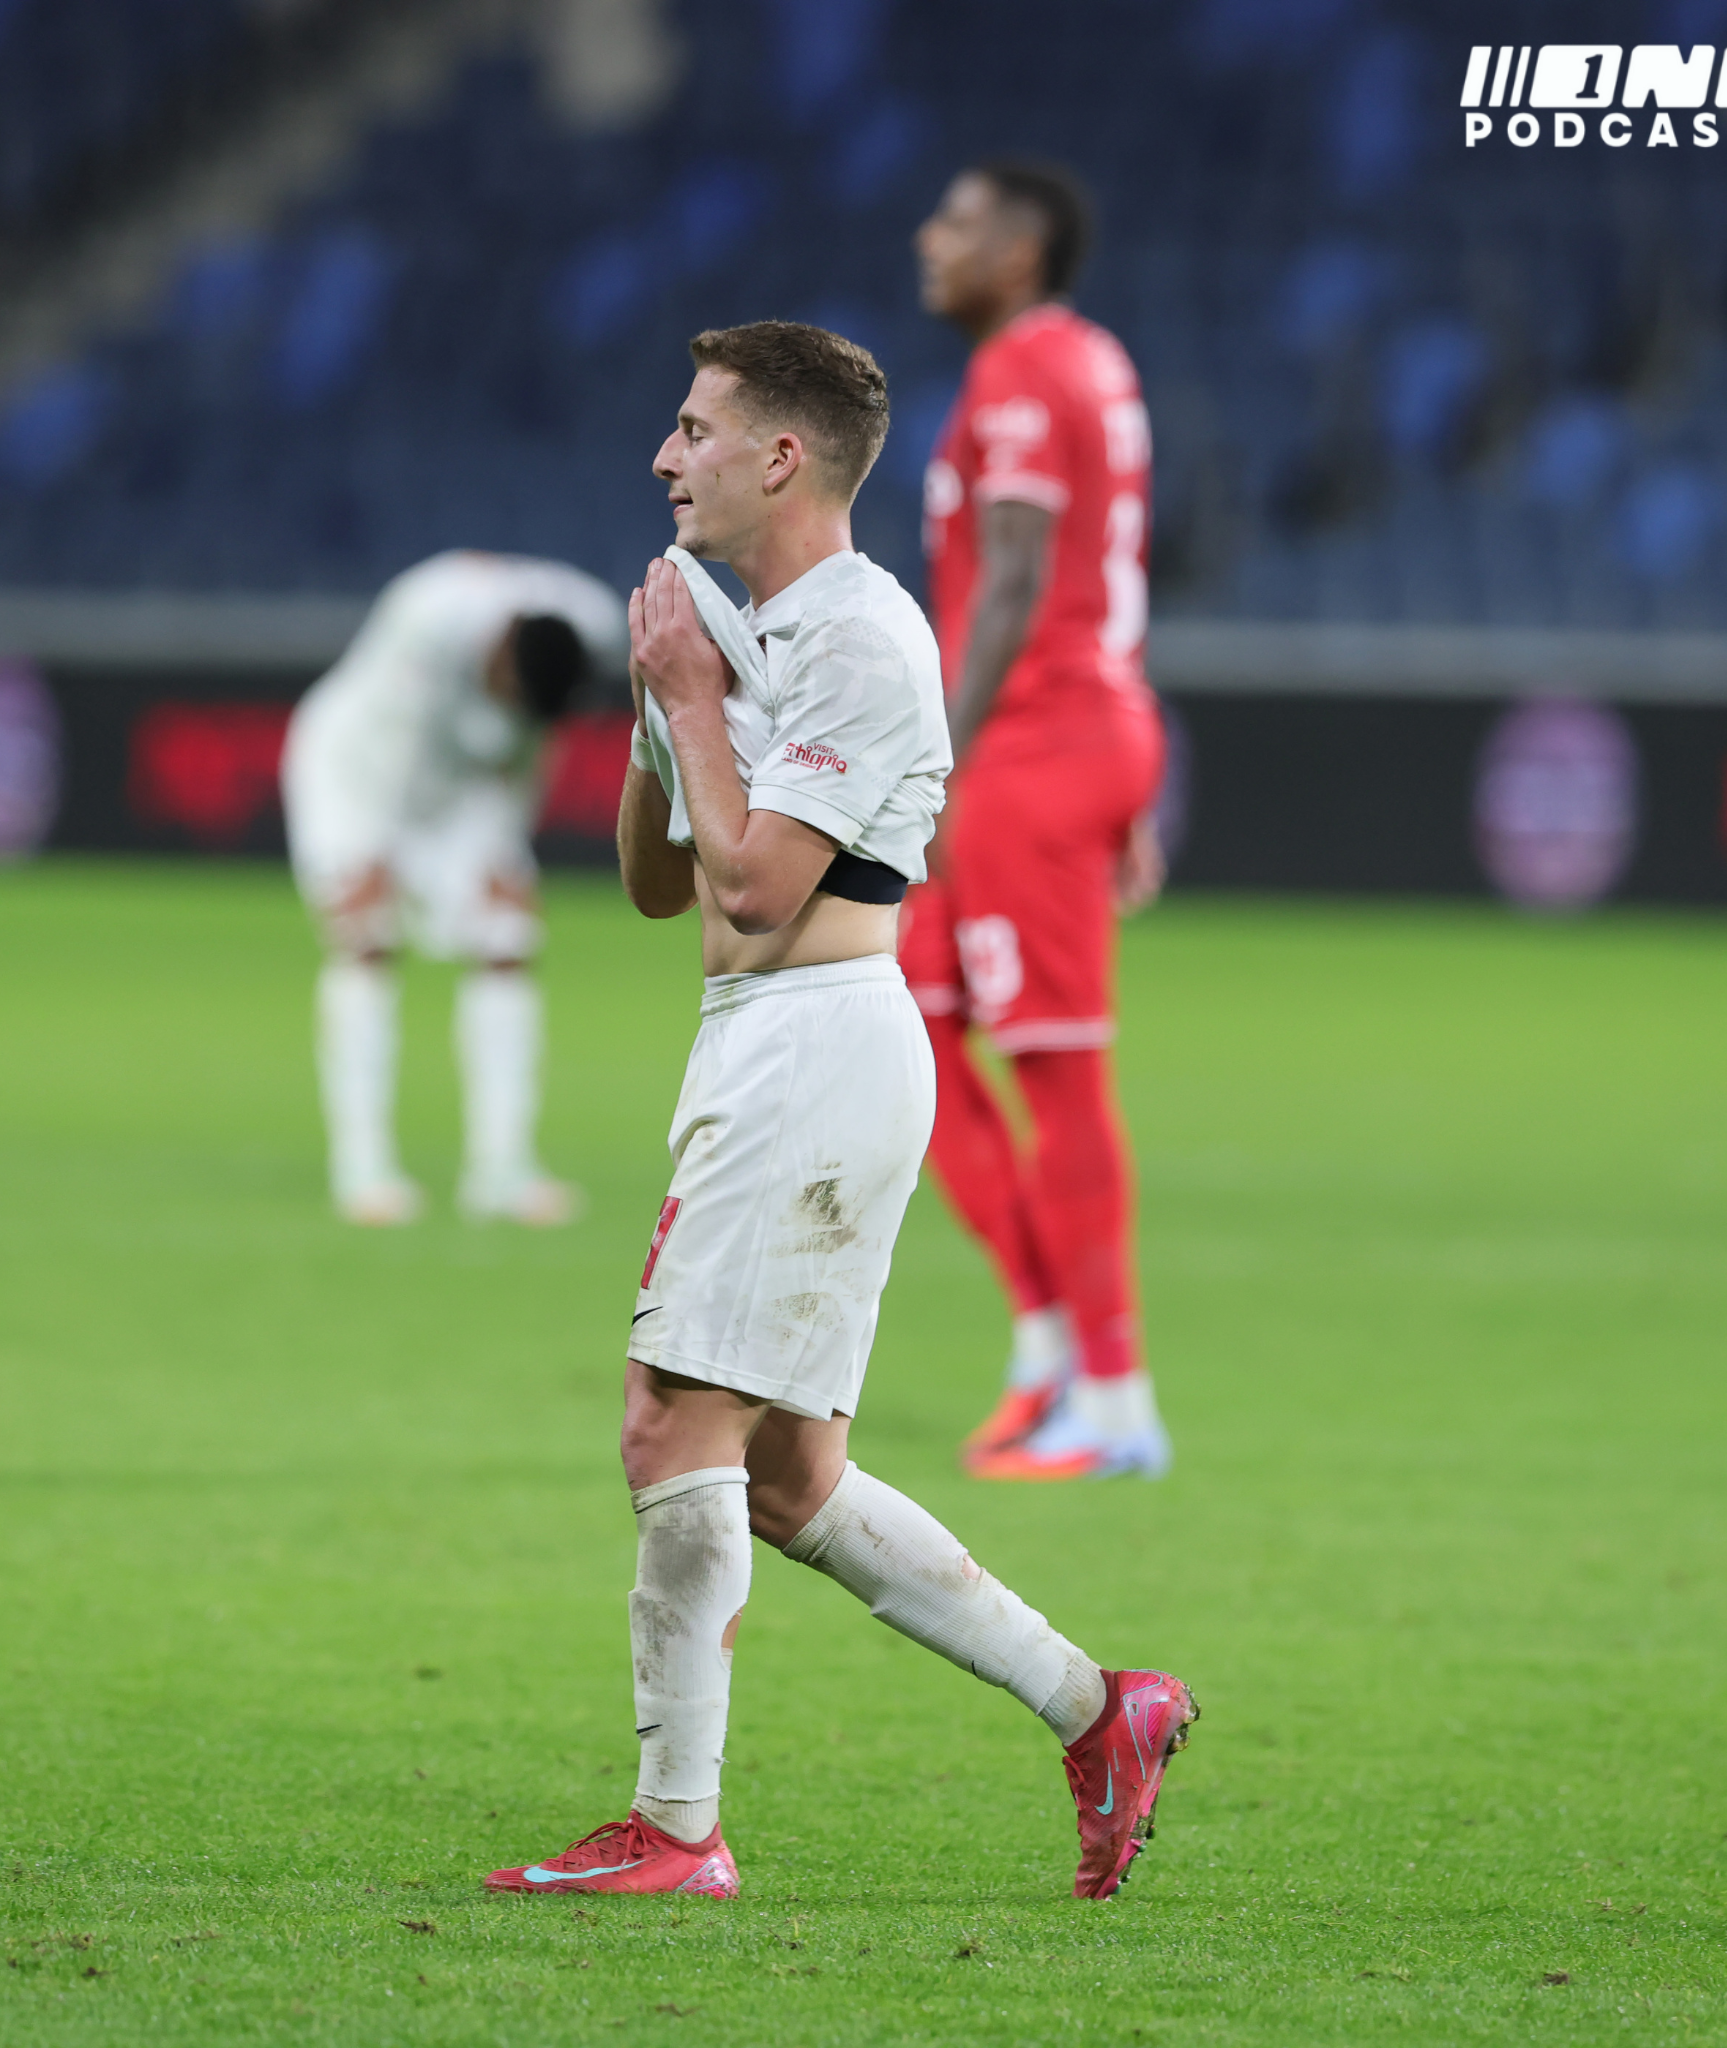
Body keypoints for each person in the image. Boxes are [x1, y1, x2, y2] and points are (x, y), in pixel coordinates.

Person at [484, 321, 1194, 1903]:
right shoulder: (748, 633)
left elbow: (758, 886)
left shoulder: (865, 636)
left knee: (669, 1424)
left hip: (817, 1044)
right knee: (790, 1478)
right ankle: (1101, 1711)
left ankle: (677, 1832)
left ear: (782, 455)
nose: (665, 457)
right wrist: (663, 711)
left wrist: (692, 693)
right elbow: (661, 886)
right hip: (763, 1040)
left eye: (694, 429)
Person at [901, 159, 1171, 1480]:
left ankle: (1113, 1406)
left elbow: (1014, 574)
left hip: (1030, 743)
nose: (929, 240)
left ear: (1017, 251)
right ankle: (1047, 1343)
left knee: (1056, 1071)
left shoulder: (1019, 370)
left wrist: (937, 765)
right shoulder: (1088, 358)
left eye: (957, 223)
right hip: (1069, 731)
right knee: (915, 1020)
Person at [281, 551, 625, 1227]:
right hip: (355, 769)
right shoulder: (428, 616)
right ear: (500, 652)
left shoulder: (595, 623)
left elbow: (532, 744)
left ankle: (501, 1171)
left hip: (467, 783)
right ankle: (363, 1171)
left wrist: (506, 848)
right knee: (367, 935)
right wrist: (371, 857)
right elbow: (392, 745)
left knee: (508, 935)